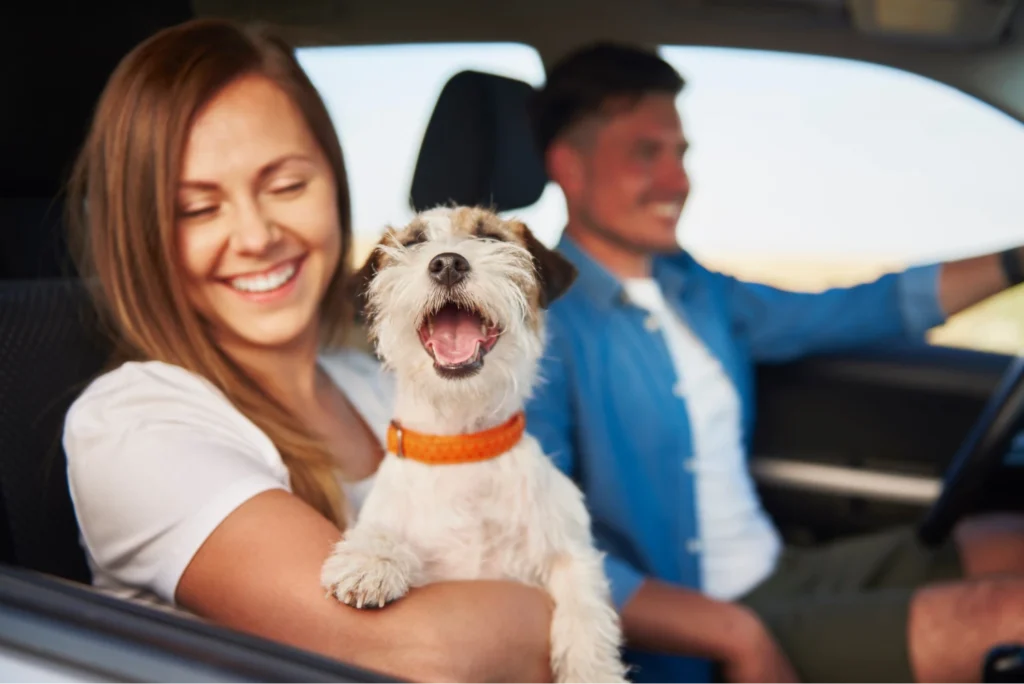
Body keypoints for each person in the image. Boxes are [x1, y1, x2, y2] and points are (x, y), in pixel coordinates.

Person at [61, 19, 553, 684]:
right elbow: (418, 653)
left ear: (334, 185)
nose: (258, 235)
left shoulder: (380, 385)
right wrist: (557, 612)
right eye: (198, 209)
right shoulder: (132, 423)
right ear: (145, 238)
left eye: (287, 186)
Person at [524, 42, 1024, 684]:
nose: (679, 181)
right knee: (1007, 616)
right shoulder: (540, 327)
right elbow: (536, 544)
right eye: (646, 153)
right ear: (569, 165)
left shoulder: (695, 291)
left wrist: (1014, 264)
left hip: (777, 573)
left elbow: (855, 310)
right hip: (695, 628)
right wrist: (732, 633)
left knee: (1012, 534)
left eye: (680, 154)